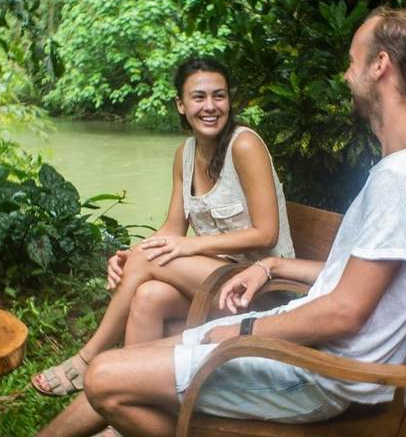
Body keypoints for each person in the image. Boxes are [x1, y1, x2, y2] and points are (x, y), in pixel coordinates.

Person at [36, 6, 406, 437]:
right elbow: (351, 282)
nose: (347, 76)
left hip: (316, 374)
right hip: (307, 352)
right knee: (128, 365)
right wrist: (270, 266)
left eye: (352, 62)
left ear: (380, 65)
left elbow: (345, 312)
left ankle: (94, 369)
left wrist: (244, 330)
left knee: (104, 378)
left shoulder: (402, 181)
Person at [32, 57, 295, 397]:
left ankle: (88, 358)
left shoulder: (244, 145)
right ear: (180, 105)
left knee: (149, 261)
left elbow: (266, 233)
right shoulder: (185, 154)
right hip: (218, 280)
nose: (210, 106)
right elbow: (172, 229)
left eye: (219, 96)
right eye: (199, 97)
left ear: (230, 101)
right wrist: (129, 256)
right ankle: (128, 405)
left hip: (262, 289)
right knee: (148, 297)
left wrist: (190, 245)